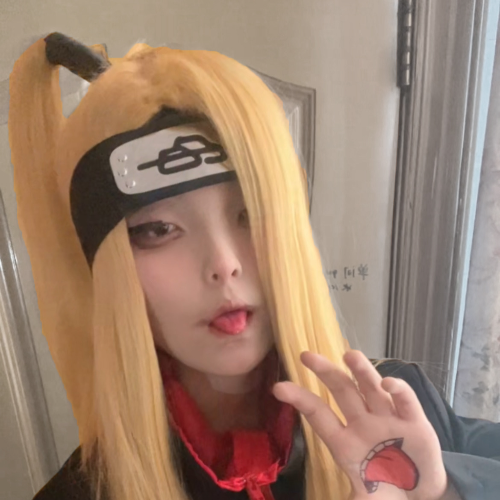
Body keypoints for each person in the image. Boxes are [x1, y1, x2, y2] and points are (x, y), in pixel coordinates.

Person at [8, 33, 500, 500]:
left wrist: (444, 493)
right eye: (157, 229)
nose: (224, 265)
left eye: (251, 213)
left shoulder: (404, 415)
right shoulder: (86, 490)